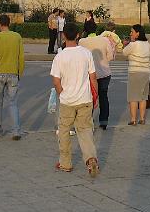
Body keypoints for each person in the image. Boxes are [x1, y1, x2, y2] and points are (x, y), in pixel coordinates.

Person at [50, 23, 100, 176]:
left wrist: (61, 93)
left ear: (63, 36)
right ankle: (91, 158)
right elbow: (93, 78)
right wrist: (95, 96)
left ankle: (65, 163)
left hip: (67, 101)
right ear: (78, 35)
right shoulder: (86, 53)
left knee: (64, 131)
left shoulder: (60, 56)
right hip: (85, 99)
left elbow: (56, 81)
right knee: (85, 130)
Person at [0, 14, 25, 140]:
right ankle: (16, 131)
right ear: (9, 23)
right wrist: (19, 72)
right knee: (13, 103)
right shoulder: (17, 36)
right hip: (13, 73)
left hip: (0, 72)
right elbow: (21, 57)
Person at [79, 28, 117, 130]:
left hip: (89, 75)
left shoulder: (82, 42)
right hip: (104, 73)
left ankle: (89, 121)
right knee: (103, 97)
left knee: (89, 97)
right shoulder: (105, 40)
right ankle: (104, 122)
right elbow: (110, 57)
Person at [123, 24, 150, 125]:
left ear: (137, 33)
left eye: (132, 32)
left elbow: (124, 52)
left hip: (134, 72)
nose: (131, 34)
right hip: (146, 73)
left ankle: (133, 119)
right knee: (143, 97)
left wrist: (127, 43)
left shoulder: (133, 44)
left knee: (133, 97)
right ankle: (142, 118)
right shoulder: (148, 45)